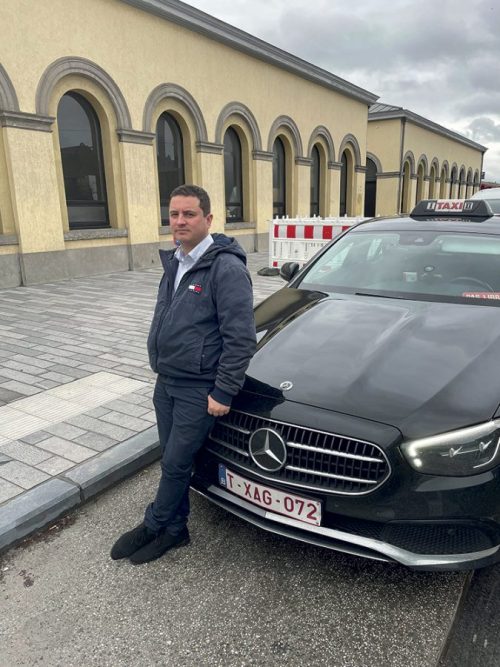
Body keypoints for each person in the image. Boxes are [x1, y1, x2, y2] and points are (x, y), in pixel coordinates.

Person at [110, 184, 256, 565]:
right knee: (171, 460)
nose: (179, 221)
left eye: (189, 214)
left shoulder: (226, 267)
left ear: (208, 218)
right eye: (174, 214)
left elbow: (240, 338)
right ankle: (176, 530)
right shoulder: (176, 260)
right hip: (168, 381)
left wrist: (224, 391)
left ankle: (154, 524)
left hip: (199, 388)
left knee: (176, 462)